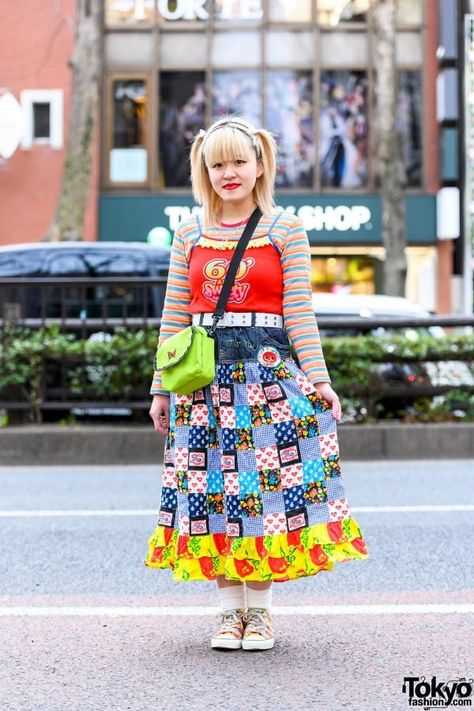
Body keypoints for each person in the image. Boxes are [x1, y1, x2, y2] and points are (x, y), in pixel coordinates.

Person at [144, 115, 369, 651]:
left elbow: (300, 313)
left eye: (238, 161)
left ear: (260, 164)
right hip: (201, 385)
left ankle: (261, 614)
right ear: (204, 169)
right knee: (210, 491)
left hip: (269, 383)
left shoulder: (285, 229)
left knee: (265, 492)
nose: (228, 172)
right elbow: (175, 316)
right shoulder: (189, 234)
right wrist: (159, 389)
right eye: (217, 163)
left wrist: (319, 380)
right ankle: (228, 613)